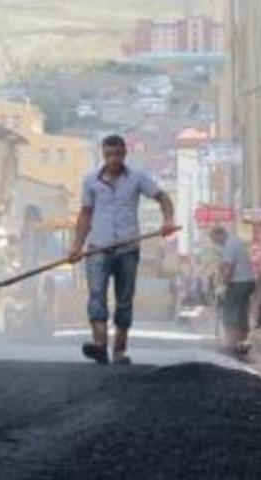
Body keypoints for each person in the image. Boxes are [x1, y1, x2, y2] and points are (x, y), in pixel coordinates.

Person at [68, 134, 176, 365]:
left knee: (124, 300)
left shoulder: (137, 178)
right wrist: (76, 245)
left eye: (117, 153)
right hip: (97, 249)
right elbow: (85, 214)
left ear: (125, 153)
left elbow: (163, 198)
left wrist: (167, 220)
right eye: (108, 154)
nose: (113, 158)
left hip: (127, 249)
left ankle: (119, 351)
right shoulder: (90, 181)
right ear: (103, 155)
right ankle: (99, 345)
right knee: (97, 297)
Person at [209, 226, 255, 351]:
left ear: (221, 234)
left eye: (215, 239)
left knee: (229, 311)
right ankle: (242, 342)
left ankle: (231, 343)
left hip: (238, 282)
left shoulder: (229, 245)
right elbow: (226, 264)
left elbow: (229, 267)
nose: (215, 243)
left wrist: (223, 284)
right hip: (249, 280)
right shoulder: (236, 241)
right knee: (241, 312)